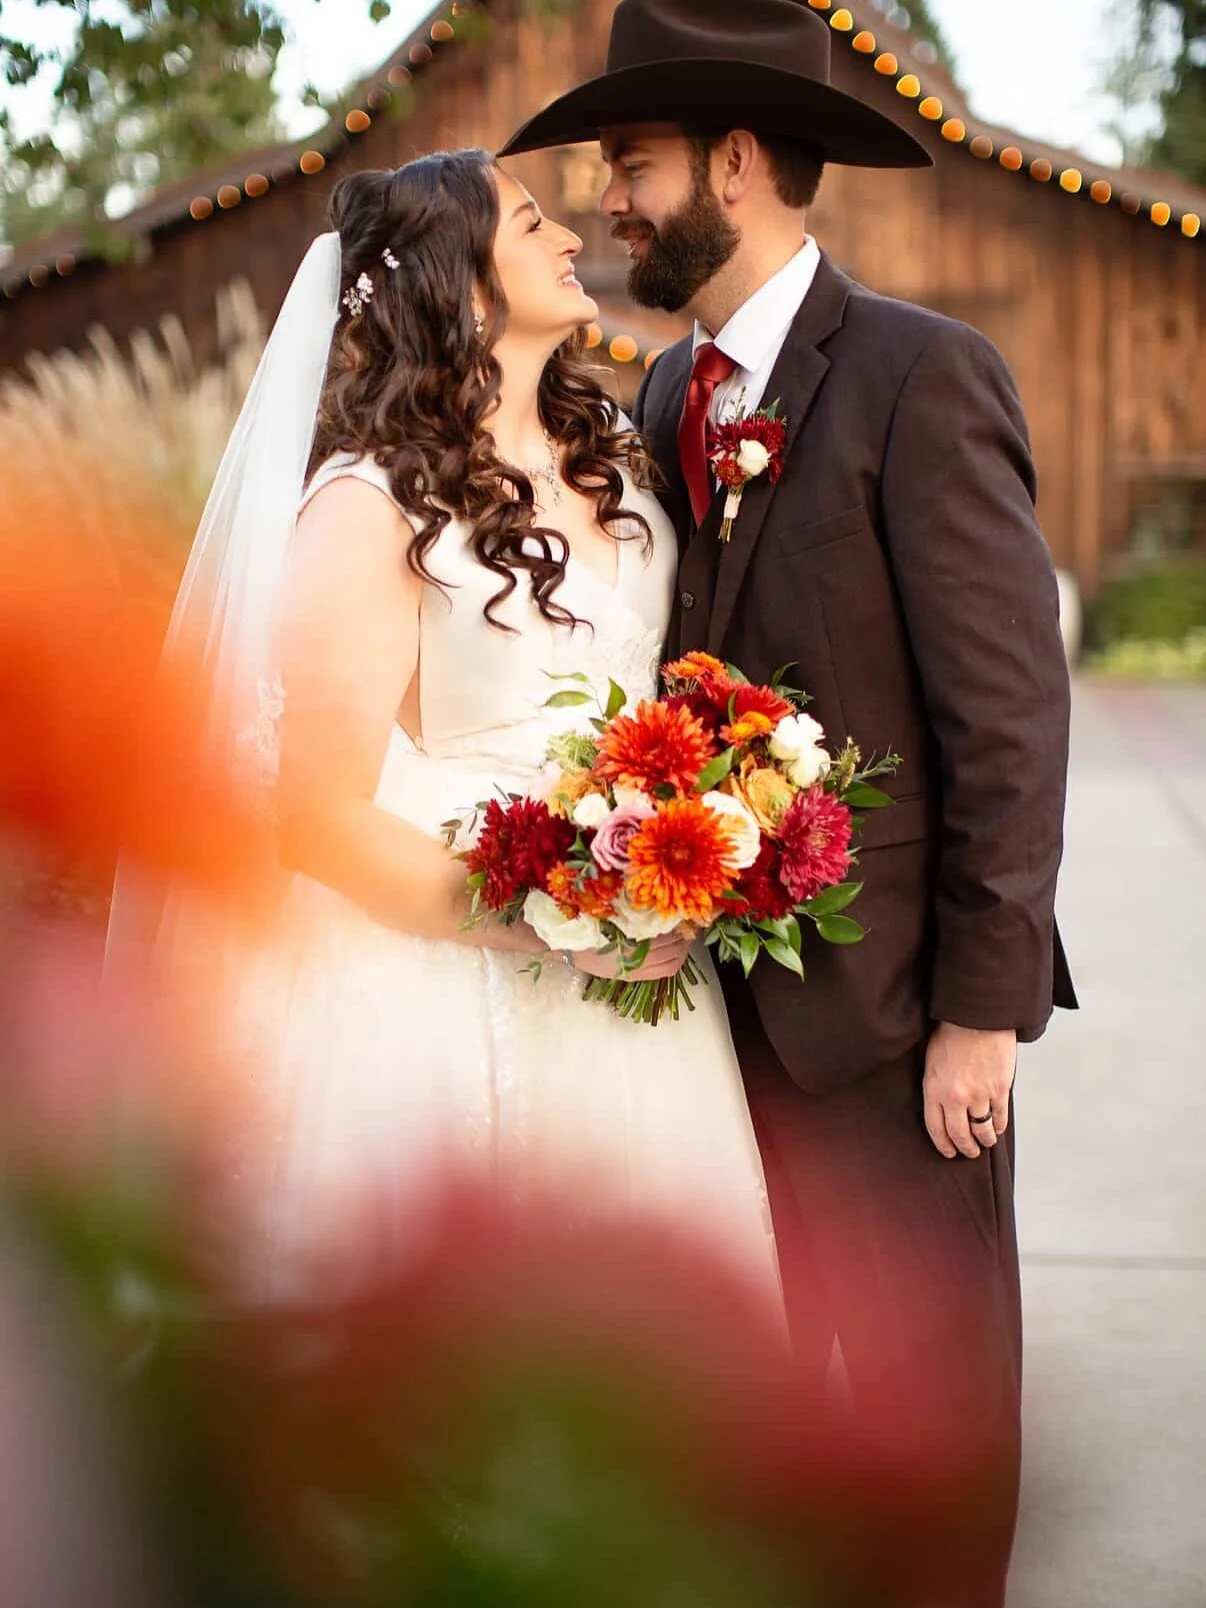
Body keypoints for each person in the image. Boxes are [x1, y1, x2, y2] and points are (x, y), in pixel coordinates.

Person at [501, 2, 1077, 1603]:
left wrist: (982, 1012)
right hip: (702, 1037)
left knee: (929, 1443)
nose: (610, 195)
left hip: (892, 1033)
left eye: (629, 159)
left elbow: (1009, 721)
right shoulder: (665, 391)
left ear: (734, 163)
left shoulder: (919, 375)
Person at [121, 147, 779, 1304]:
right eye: (532, 227)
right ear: (465, 289)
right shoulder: (367, 508)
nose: (574, 237)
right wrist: (553, 924)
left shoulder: (618, 458)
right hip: (455, 974)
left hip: (646, 981)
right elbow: (314, 814)